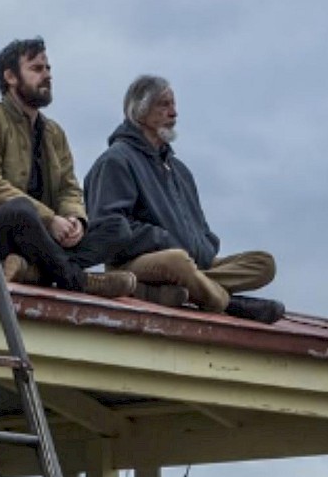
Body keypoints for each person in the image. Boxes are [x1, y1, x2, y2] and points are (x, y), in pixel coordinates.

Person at [0, 38, 141, 297]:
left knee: (118, 227)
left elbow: (69, 188)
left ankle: (31, 271)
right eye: (37, 69)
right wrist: (49, 219)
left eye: (48, 69)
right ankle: (77, 280)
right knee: (20, 210)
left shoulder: (54, 133)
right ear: (10, 77)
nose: (47, 76)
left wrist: (75, 221)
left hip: (43, 242)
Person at [84, 74, 285, 323]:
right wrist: (165, 241)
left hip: (193, 264)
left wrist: (206, 247)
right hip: (136, 265)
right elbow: (108, 227)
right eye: (164, 104)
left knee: (263, 263)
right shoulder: (116, 161)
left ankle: (185, 292)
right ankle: (226, 302)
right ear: (140, 112)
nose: (174, 113)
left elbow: (200, 227)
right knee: (176, 261)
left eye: (174, 104)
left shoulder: (180, 171)